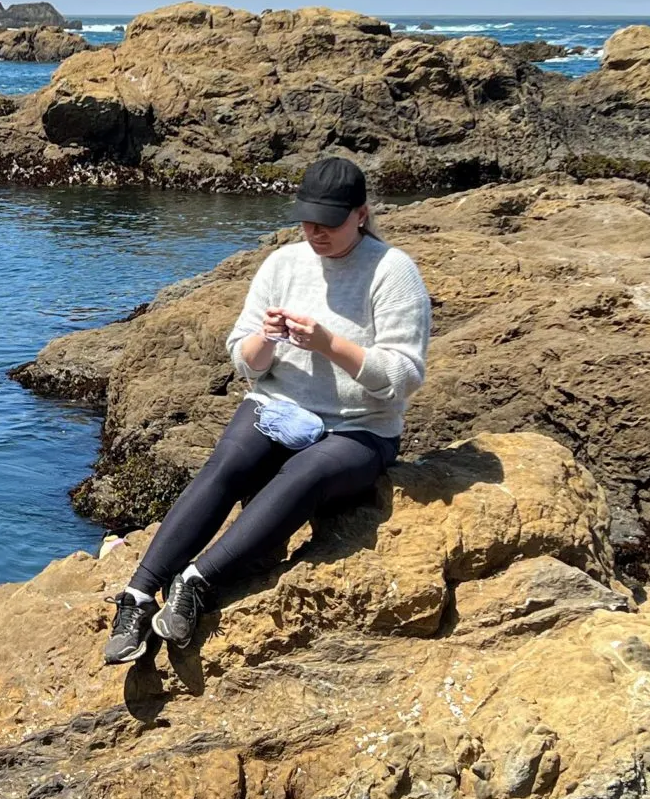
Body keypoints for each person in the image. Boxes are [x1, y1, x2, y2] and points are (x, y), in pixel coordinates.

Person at [102, 155, 430, 665]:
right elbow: (245, 361)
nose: (315, 231)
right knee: (227, 463)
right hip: (279, 404)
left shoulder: (392, 272)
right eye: (307, 219)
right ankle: (138, 596)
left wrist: (328, 344)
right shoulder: (283, 263)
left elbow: (403, 378)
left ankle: (197, 581)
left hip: (360, 426)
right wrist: (266, 339)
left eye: (329, 222)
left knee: (304, 474)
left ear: (361, 215)